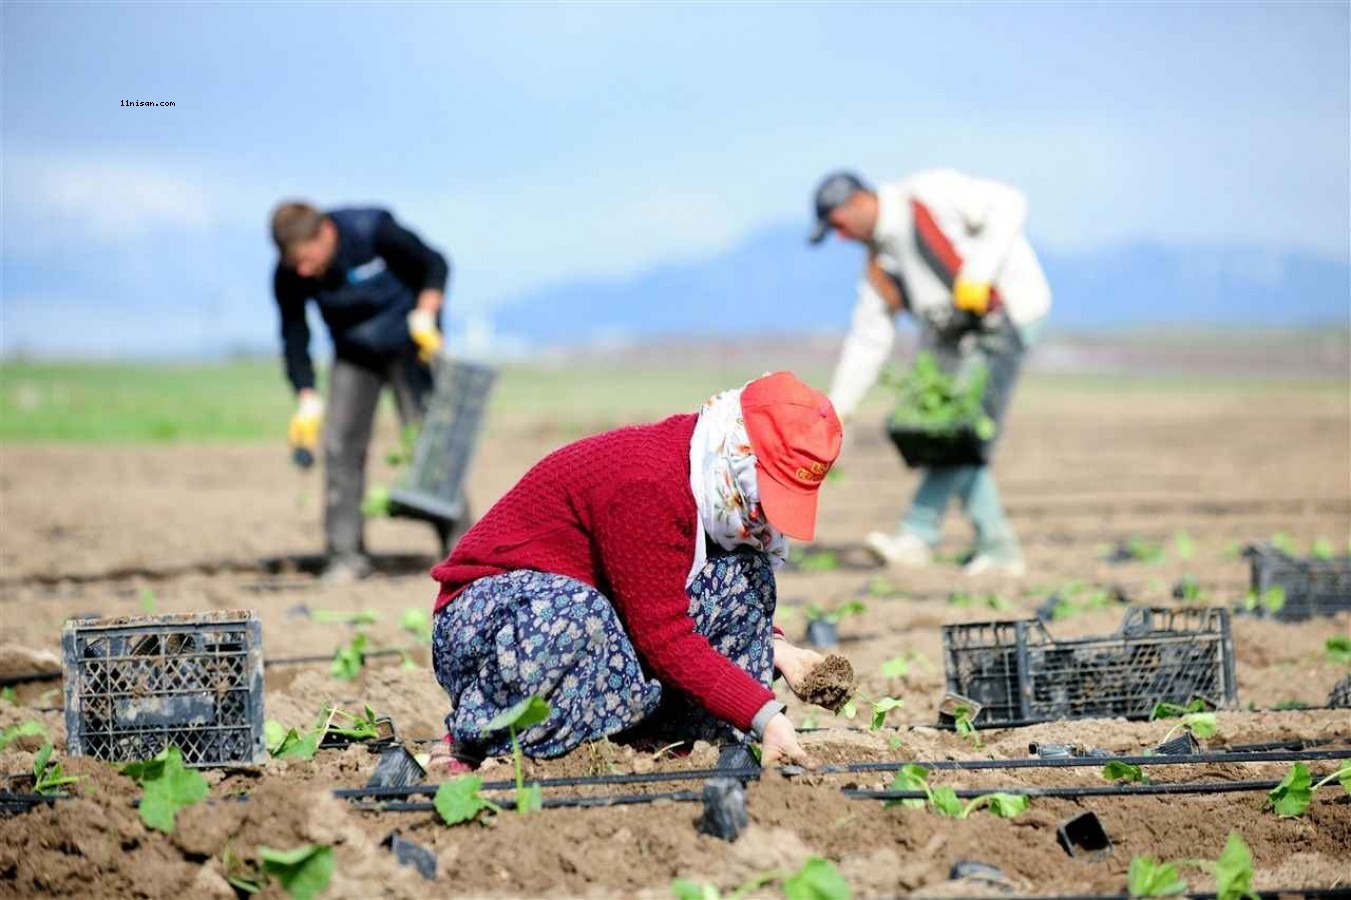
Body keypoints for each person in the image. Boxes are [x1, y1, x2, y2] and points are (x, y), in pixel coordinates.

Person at [427, 371, 841, 769]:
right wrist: (765, 714)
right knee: (577, 613)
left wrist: (778, 649)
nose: (766, 510)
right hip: (489, 628)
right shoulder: (649, 485)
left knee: (745, 575)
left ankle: (671, 739)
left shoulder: (711, 479)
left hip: (597, 621)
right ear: (741, 455)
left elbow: (695, 588)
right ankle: (477, 738)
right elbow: (664, 636)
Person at [810, 169, 1052, 577]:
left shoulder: (928, 193)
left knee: (960, 432)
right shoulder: (879, 265)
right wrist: (839, 409)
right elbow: (869, 340)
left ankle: (932, 539)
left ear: (858, 202)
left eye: (838, 225)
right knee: (947, 432)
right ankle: (975, 545)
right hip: (955, 339)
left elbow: (1010, 202)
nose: (841, 237)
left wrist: (978, 272)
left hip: (1007, 316)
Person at [270, 202, 450, 581]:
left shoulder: (374, 229)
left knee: (431, 445)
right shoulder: (289, 273)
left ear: (328, 234)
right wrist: (305, 393)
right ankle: (344, 555)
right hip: (353, 353)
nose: (303, 270)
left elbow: (435, 264)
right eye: (294, 263)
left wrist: (426, 313)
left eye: (308, 258)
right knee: (339, 447)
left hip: (408, 342)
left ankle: (460, 547)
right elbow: (294, 332)